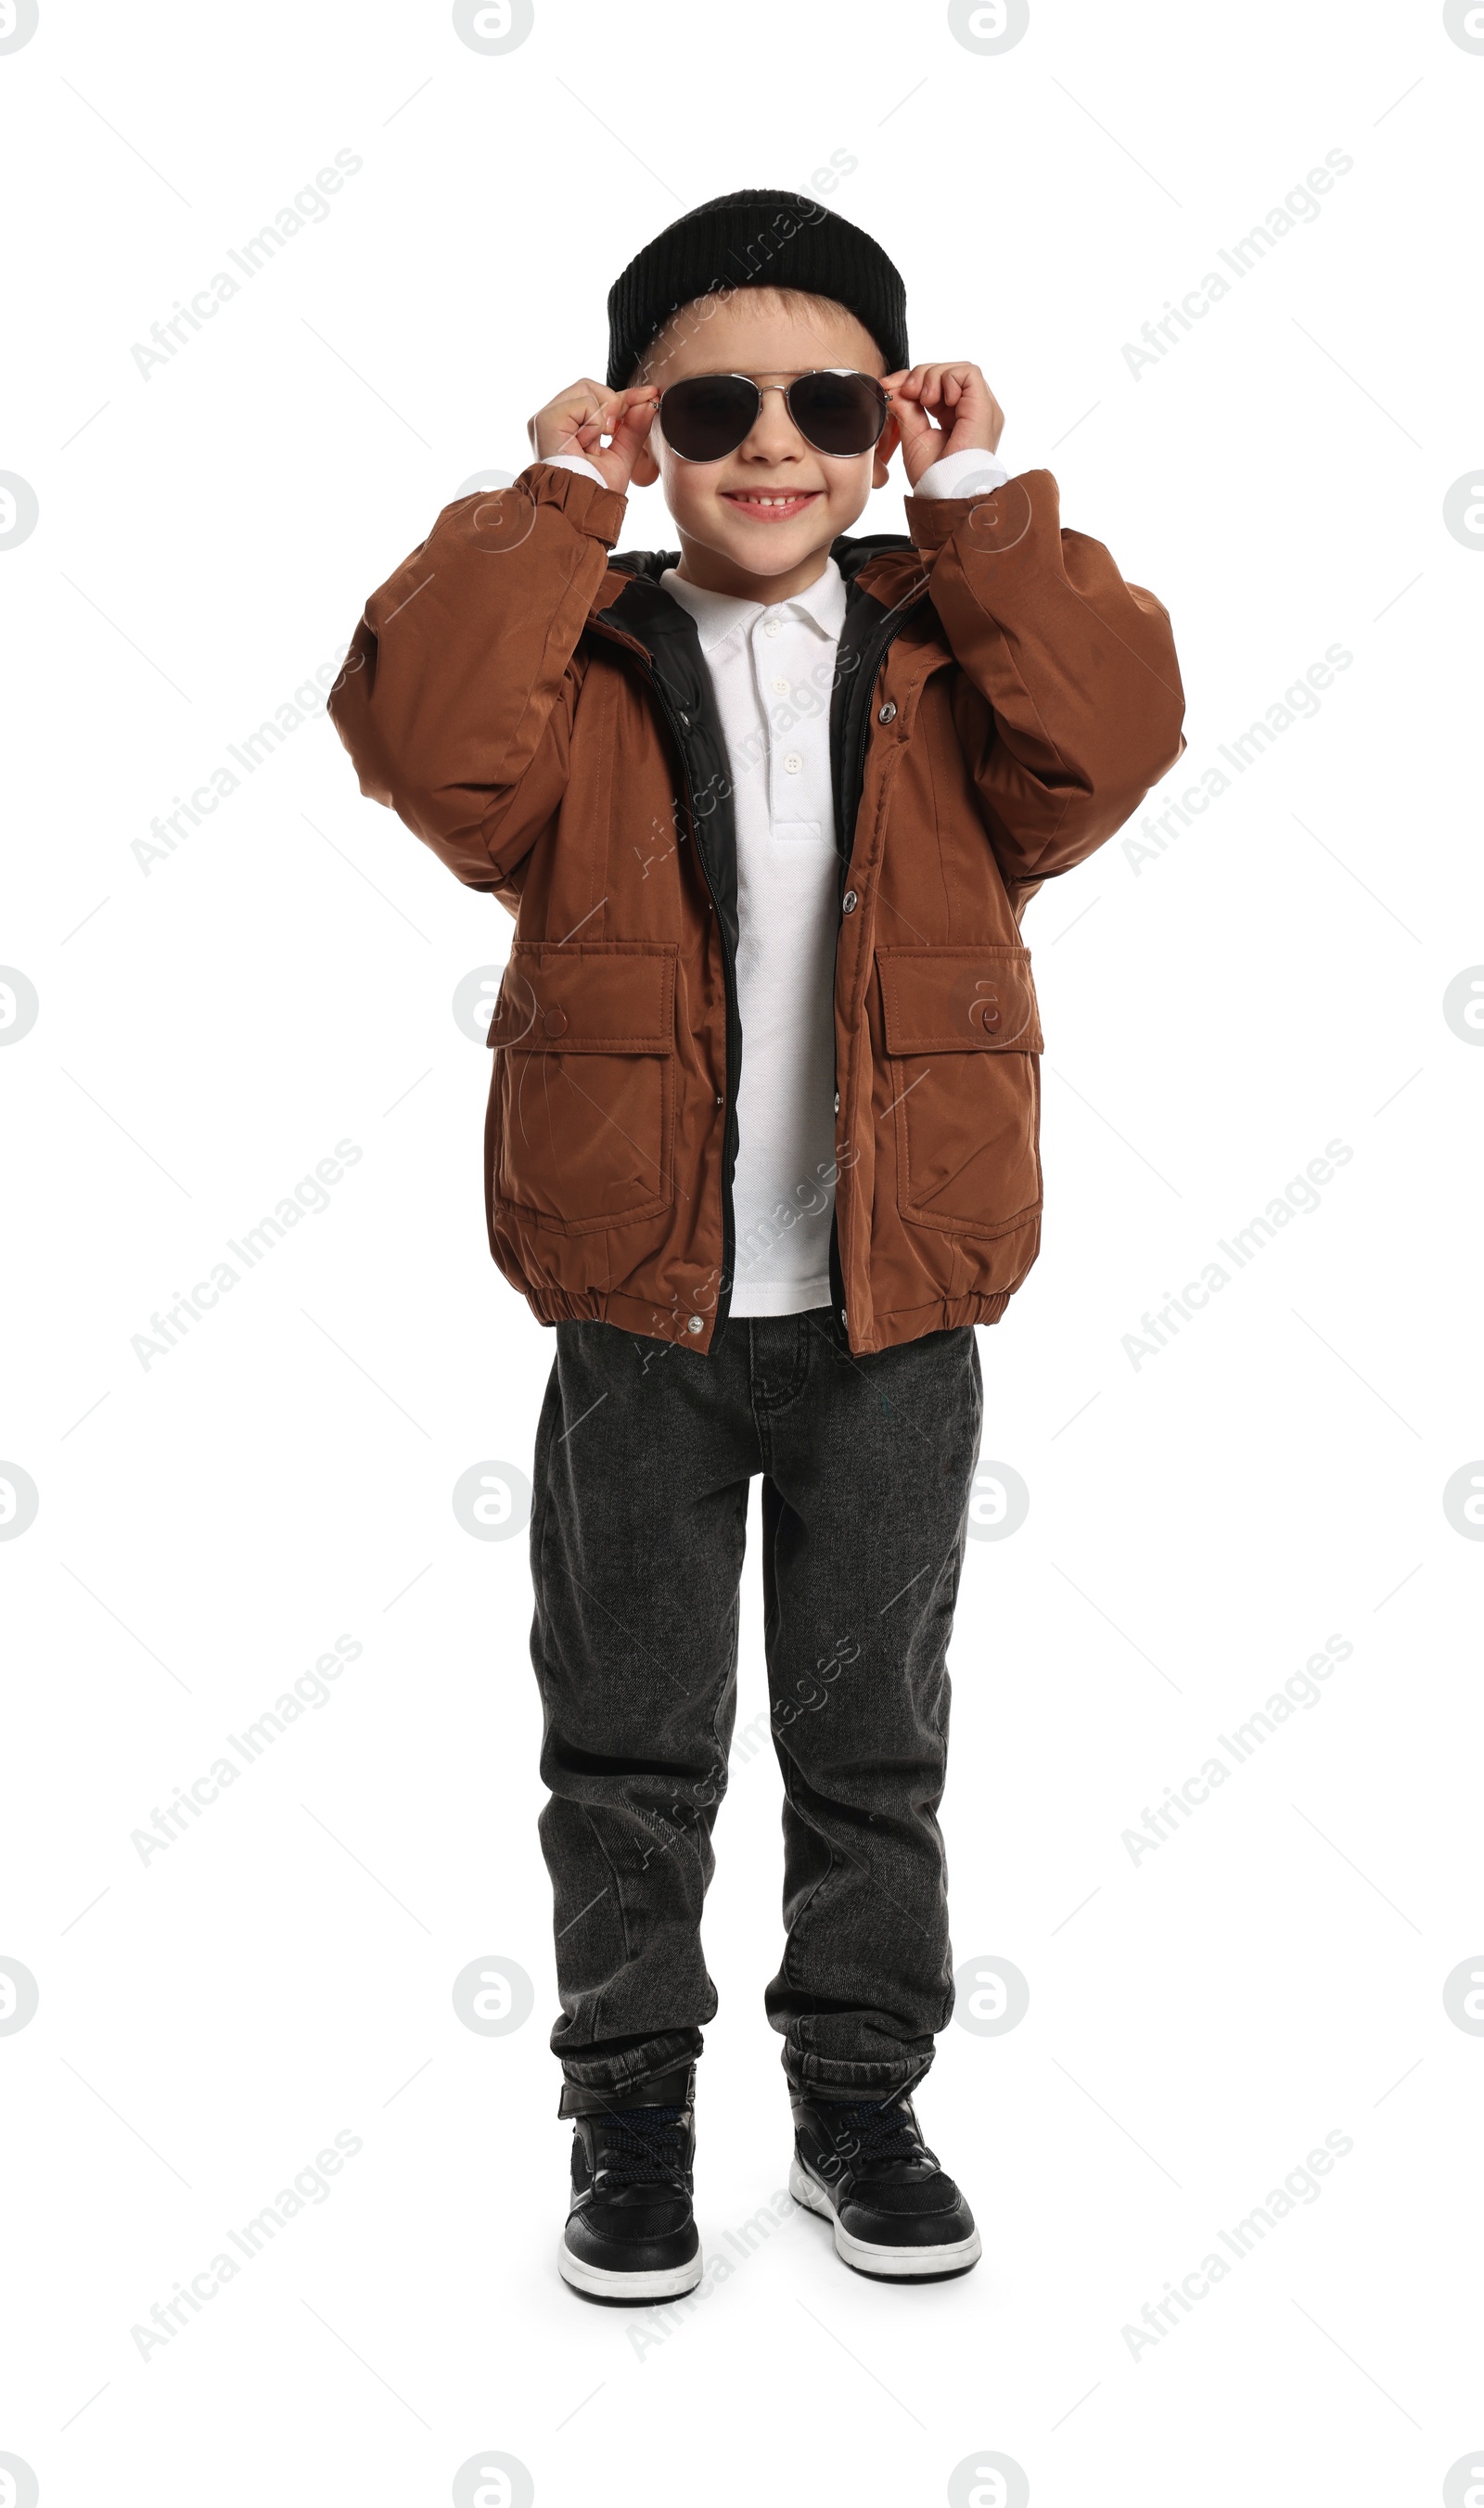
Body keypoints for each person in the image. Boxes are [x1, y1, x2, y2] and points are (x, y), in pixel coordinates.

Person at [328, 188, 1184, 2302]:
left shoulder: (951, 659)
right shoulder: (581, 660)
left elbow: (1115, 733)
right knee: (625, 1740)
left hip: (894, 1313)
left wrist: (985, 506)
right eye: (710, 401)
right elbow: (417, 742)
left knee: (868, 1735)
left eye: (822, 397)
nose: (768, 441)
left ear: (886, 425)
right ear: (646, 425)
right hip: (639, 1310)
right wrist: (542, 505)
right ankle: (627, 2117)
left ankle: (856, 2103)